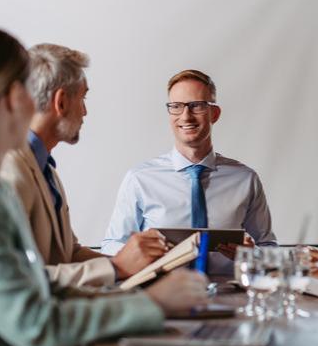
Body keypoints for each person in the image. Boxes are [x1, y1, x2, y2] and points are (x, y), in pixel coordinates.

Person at [0, 23, 208, 346]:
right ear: (13, 97)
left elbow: (37, 285)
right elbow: (34, 324)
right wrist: (150, 304)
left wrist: (138, 295)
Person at [0, 43, 164, 287]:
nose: (85, 111)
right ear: (62, 102)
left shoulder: (47, 170)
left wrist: (134, 265)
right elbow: (14, 279)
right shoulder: (10, 170)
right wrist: (117, 267)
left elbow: (70, 253)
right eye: (83, 96)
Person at [102, 69, 277, 271]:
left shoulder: (245, 179)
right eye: (176, 106)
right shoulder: (140, 179)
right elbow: (111, 246)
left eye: (197, 106)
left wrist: (252, 255)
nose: (186, 116)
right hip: (162, 294)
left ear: (215, 113)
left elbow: (268, 247)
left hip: (229, 295)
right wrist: (141, 253)